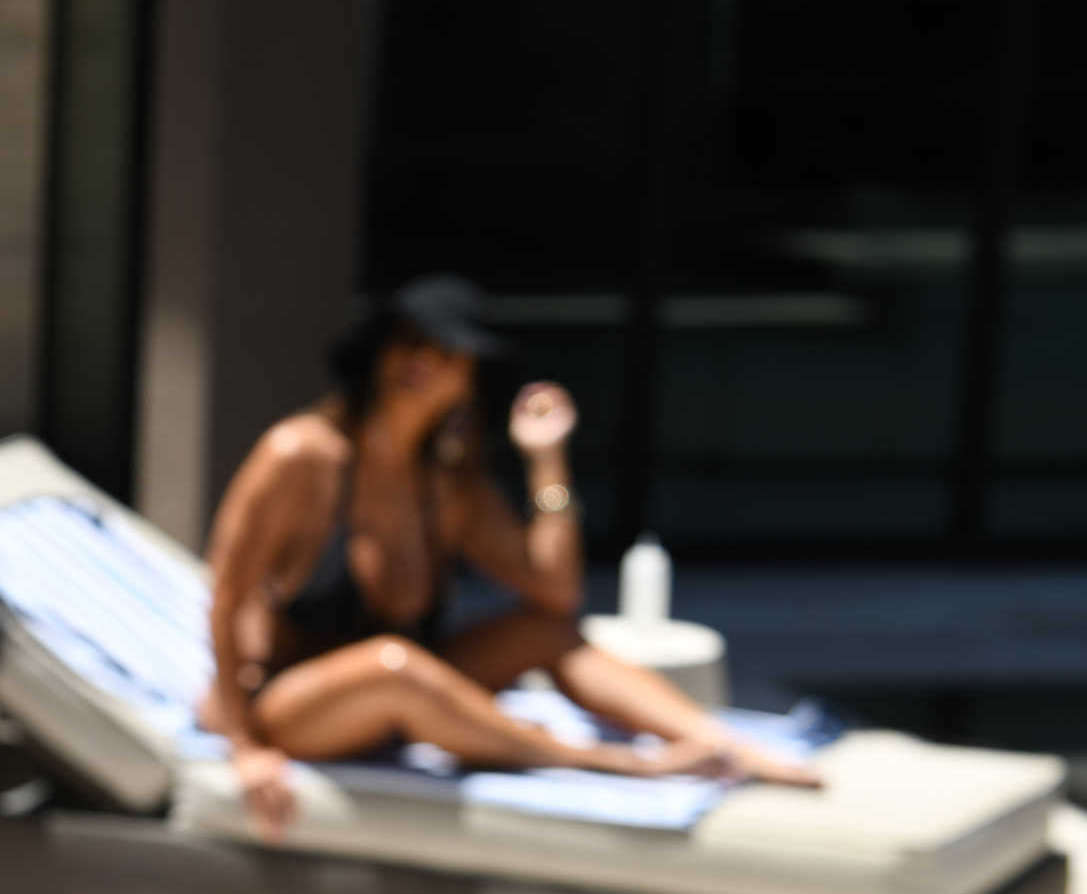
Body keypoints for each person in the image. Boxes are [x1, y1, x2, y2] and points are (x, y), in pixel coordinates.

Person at [198, 273, 819, 839]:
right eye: (408, 342)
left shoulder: (445, 484)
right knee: (394, 665)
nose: (422, 361)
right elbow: (225, 597)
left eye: (445, 350)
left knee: (543, 632)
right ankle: (615, 764)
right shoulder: (305, 456)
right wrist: (247, 748)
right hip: (291, 704)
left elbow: (556, 592)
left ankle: (726, 744)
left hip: (408, 683)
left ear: (469, 375)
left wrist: (546, 460)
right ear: (378, 352)